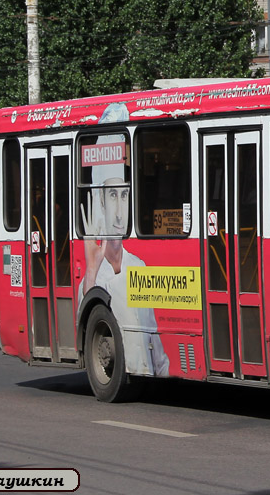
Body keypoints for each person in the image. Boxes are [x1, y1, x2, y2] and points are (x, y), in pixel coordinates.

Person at [79, 138, 169, 377]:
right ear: (100, 201)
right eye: (111, 196)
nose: (120, 212)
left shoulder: (138, 266)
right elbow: (81, 321)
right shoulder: (92, 277)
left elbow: (158, 353)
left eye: (124, 195)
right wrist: (91, 269)